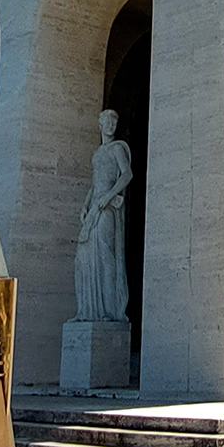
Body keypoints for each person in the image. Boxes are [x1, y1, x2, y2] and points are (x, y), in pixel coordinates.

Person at [72, 109, 132, 323]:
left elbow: (127, 174)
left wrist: (109, 196)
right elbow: (94, 183)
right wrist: (85, 205)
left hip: (107, 208)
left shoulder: (117, 148)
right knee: (84, 258)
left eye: (114, 122)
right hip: (94, 206)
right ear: (100, 124)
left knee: (106, 257)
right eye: (107, 122)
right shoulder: (97, 153)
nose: (111, 126)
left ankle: (109, 310)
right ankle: (88, 311)